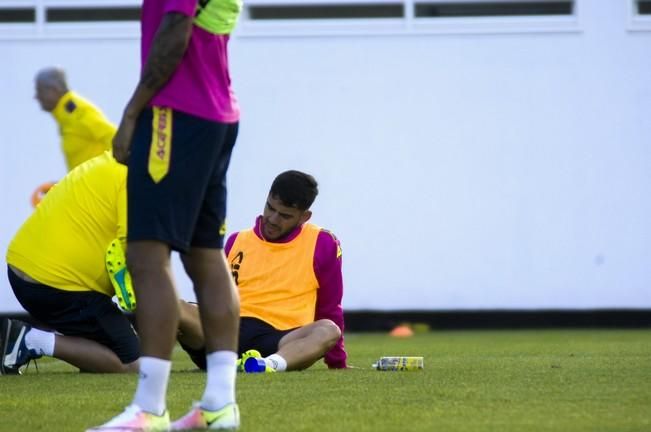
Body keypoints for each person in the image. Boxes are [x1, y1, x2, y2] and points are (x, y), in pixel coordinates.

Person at [88, 0, 243, 430]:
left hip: (175, 115)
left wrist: (133, 110)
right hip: (216, 113)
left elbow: (175, 29)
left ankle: (149, 408)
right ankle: (219, 404)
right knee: (204, 255)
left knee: (145, 256)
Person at [179, 170, 347, 373]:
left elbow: (330, 307)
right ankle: (139, 362)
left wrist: (338, 363)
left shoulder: (323, 243)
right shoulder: (236, 240)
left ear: (304, 217)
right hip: (226, 333)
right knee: (175, 305)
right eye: (270, 208)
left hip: (281, 339)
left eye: (285, 215)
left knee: (328, 329)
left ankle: (266, 365)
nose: (273, 219)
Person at [2, 152, 139, 375]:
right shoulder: (137, 177)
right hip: (56, 285)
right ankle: (29, 340)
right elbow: (133, 250)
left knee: (114, 346)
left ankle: (32, 340)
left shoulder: (112, 161)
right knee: (132, 363)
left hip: (25, 270)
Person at [34, 67, 116, 171]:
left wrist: (110, 175)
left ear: (54, 89)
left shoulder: (76, 111)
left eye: (40, 90)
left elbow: (113, 136)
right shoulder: (64, 115)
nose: (36, 96)